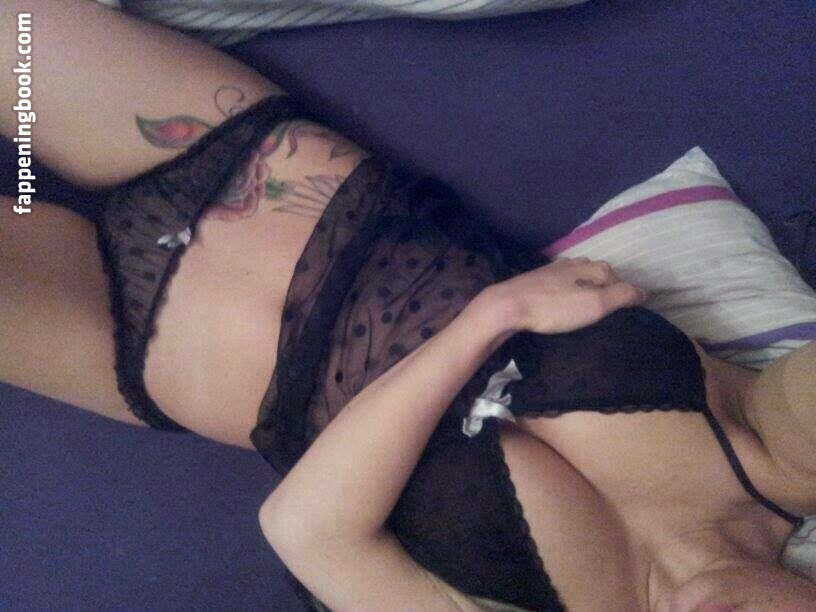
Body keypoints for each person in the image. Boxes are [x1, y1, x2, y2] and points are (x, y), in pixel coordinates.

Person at [1, 2, 815, 610]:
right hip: (251, 161)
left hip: (139, 339)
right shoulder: (787, 464)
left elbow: (305, 529)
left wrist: (493, 318)